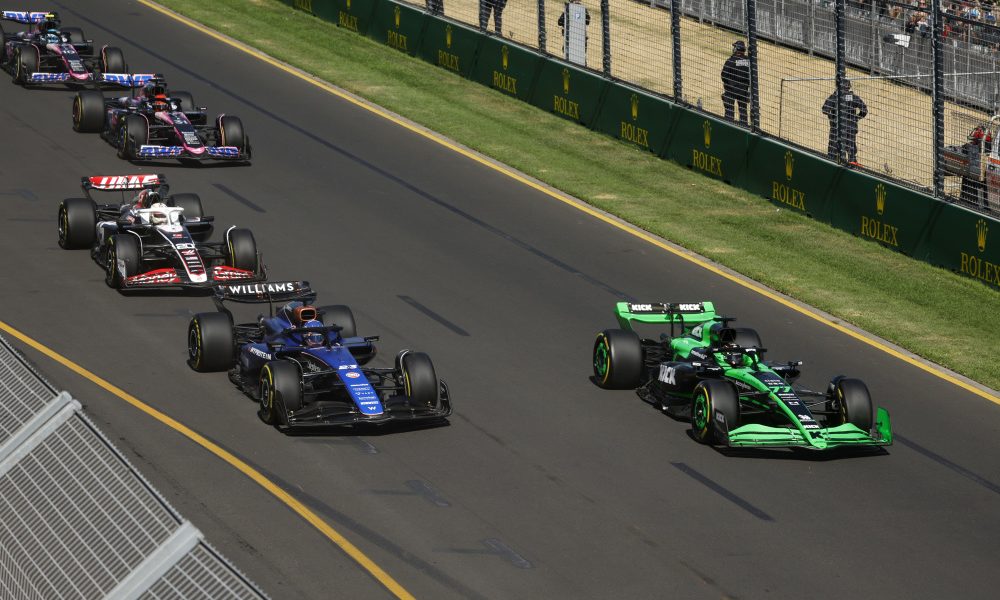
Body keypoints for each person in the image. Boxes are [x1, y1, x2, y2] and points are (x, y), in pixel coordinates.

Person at [822, 80, 868, 163]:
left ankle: (832, 163)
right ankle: (852, 165)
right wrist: (856, 118)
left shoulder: (835, 97)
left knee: (832, 151)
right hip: (850, 128)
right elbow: (864, 110)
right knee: (851, 152)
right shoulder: (853, 97)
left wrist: (832, 119)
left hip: (836, 129)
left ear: (838, 86)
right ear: (849, 87)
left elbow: (825, 109)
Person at [720, 40, 751, 125]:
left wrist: (729, 84)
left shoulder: (731, 61)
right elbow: (751, 76)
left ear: (736, 49)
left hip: (731, 90)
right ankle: (744, 127)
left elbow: (724, 75)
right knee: (743, 111)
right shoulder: (748, 61)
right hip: (743, 90)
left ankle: (728, 126)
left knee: (729, 111)